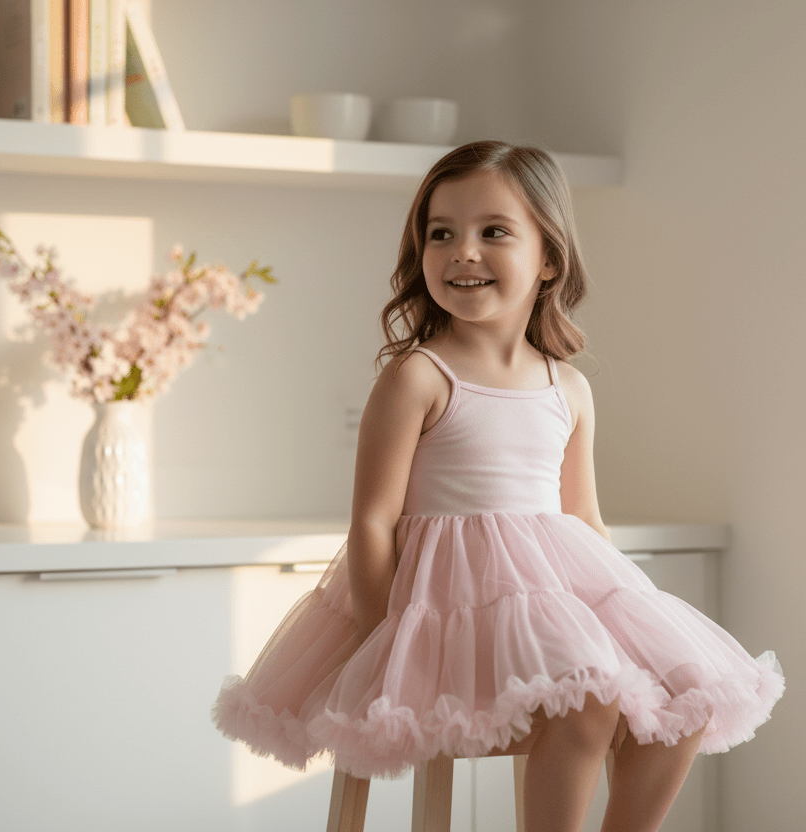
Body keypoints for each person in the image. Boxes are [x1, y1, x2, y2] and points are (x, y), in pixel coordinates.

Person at [212, 141, 785, 832]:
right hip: (439, 615)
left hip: (543, 608)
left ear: (548, 258)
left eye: (494, 232)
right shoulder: (419, 376)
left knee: (687, 693)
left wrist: (635, 622)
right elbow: (371, 521)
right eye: (441, 233)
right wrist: (383, 635)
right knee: (589, 702)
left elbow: (584, 520)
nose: (463, 252)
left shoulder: (567, 388)